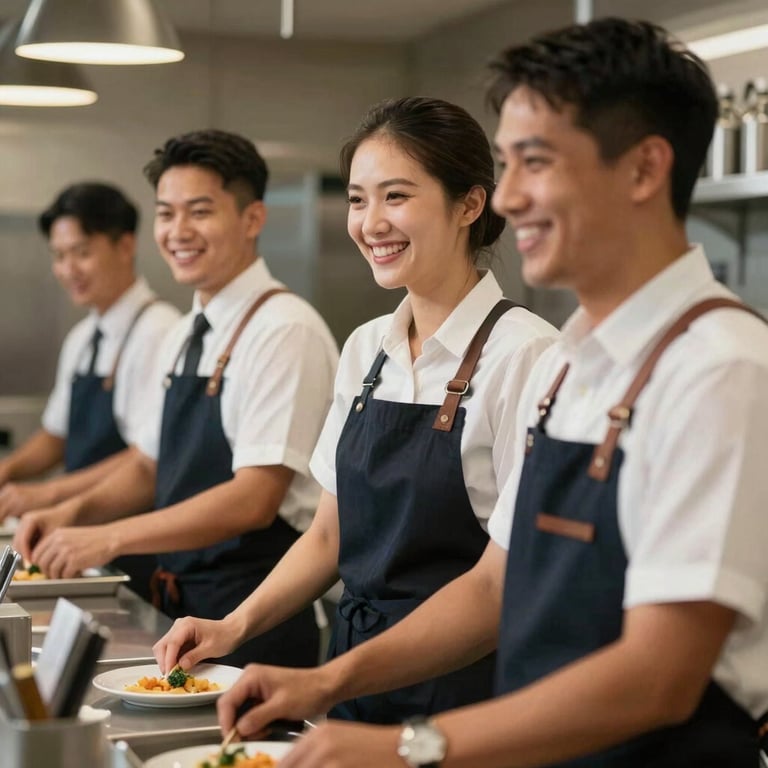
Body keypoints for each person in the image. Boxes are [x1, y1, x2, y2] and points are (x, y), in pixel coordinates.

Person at [209, 18, 768, 768]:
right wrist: (325, 682)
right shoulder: (573, 365)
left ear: (643, 169)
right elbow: (494, 587)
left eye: (534, 163)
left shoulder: (722, 368)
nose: (506, 196)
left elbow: (657, 680)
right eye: (503, 166)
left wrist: (413, 746)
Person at [153, 97, 557, 723]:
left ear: (470, 205)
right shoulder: (367, 348)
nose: (371, 223)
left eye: (396, 197)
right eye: (357, 199)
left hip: (461, 698)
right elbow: (327, 534)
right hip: (352, 681)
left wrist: (330, 679)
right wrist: (231, 627)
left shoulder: (527, 355)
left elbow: (501, 586)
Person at [14, 129, 339, 669]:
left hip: (252, 620)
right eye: (166, 213)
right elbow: (147, 465)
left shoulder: (285, 330)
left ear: (253, 219)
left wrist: (109, 538)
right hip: (182, 611)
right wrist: (71, 513)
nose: (178, 231)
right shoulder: (187, 331)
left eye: (200, 211)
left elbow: (254, 498)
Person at [0, 182, 179, 600]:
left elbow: (144, 461)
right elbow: (55, 436)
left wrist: (45, 493)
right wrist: (7, 472)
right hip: (76, 541)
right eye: (59, 257)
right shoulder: (84, 336)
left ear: (126, 245)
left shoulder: (159, 331)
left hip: (130, 548)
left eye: (82, 252)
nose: (68, 269)